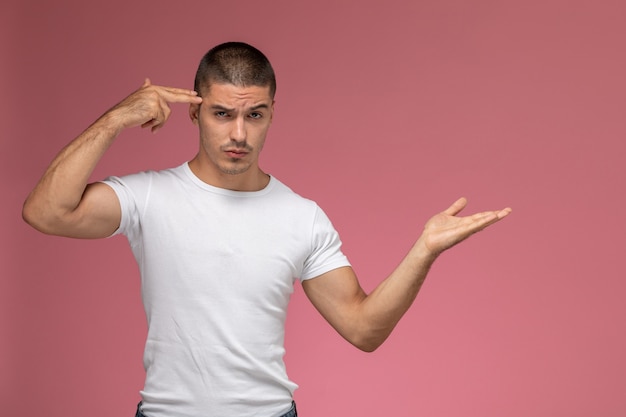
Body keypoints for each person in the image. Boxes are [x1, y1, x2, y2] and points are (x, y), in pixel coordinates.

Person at [22, 42, 511, 417]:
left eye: (254, 115)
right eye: (222, 114)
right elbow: (46, 212)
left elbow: (363, 329)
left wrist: (423, 251)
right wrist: (116, 118)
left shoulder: (301, 216)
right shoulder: (149, 196)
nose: (239, 134)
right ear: (195, 111)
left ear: (272, 113)